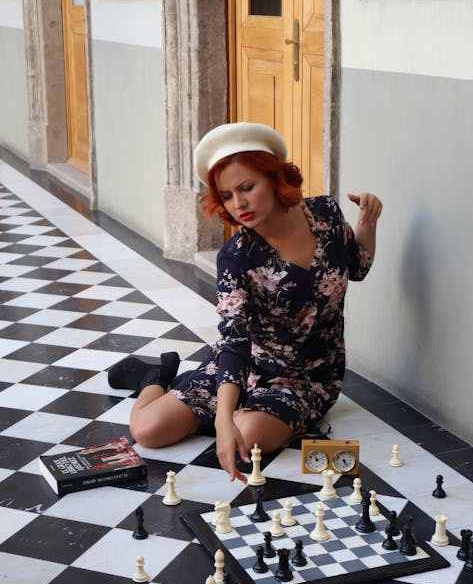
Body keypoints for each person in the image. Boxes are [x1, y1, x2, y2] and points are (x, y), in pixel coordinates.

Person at [108, 122, 382, 483]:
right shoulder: (236, 257)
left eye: (247, 187)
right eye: (226, 195)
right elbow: (234, 340)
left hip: (305, 377)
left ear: (274, 178)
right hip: (243, 364)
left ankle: (239, 412)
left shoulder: (326, 215)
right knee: (148, 431)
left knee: (248, 436)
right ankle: (155, 378)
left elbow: (357, 267)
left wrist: (367, 222)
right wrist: (223, 418)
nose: (238, 204)